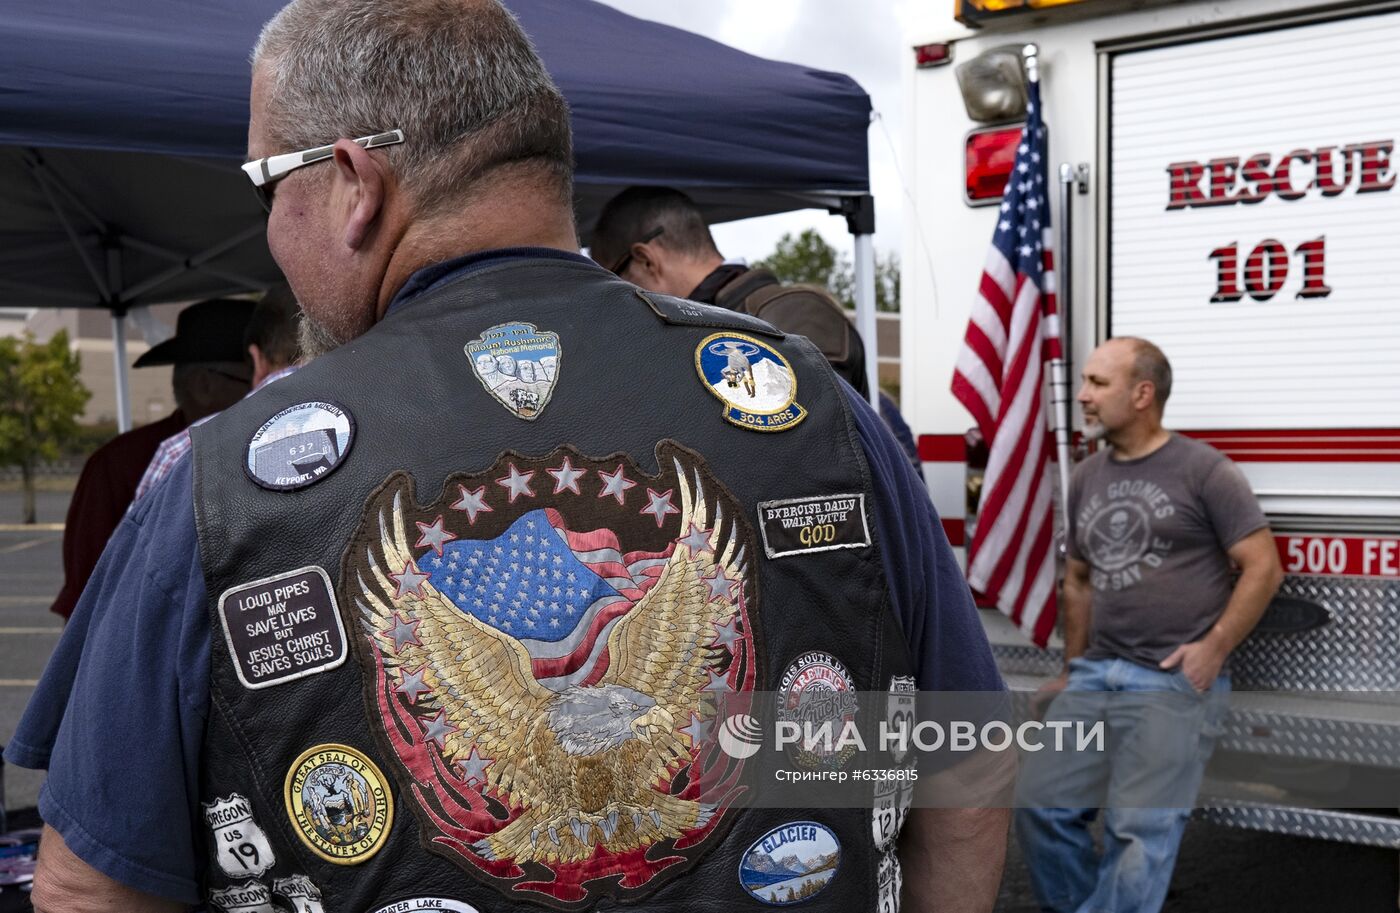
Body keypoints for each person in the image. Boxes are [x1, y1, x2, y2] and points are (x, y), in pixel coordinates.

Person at [10, 2, 1007, 911]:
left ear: (355, 185)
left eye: (269, 182)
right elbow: (961, 778)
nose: (270, 226)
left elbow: (92, 886)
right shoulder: (812, 404)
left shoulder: (214, 481)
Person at [1014, 337, 1283, 913]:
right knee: (1039, 804)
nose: (1082, 396)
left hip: (1169, 681)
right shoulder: (1087, 475)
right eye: (1084, 382)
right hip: (1095, 677)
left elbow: (1262, 565)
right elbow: (1079, 582)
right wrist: (1070, 670)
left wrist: (1212, 648)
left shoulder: (1204, 470)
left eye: (1098, 384)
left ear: (1143, 394)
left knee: (1139, 833)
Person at [48, 299, 253, 620]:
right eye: (255, 380)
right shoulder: (119, 465)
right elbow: (84, 600)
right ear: (204, 385)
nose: (269, 391)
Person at [590, 186, 870, 397]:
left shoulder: (794, 313)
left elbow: (817, 445)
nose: (622, 299)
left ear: (646, 260)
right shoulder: (690, 329)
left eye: (616, 279)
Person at [133, 284, 302, 503]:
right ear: (203, 386)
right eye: (247, 376)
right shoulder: (124, 463)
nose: (256, 393)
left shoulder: (179, 455)